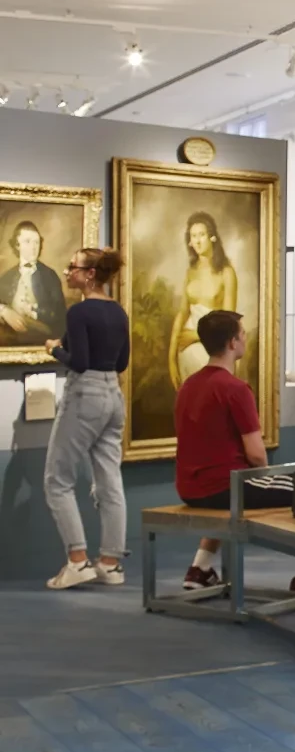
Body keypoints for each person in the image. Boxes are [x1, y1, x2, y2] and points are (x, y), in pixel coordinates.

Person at [175, 309, 295, 597]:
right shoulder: (235, 389)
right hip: (224, 486)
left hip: (190, 487)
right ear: (232, 343)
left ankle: (200, 568)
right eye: (242, 334)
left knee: (231, 489)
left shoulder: (187, 386)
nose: (245, 339)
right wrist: (266, 478)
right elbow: (256, 456)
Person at [42, 247, 130, 590]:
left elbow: (77, 362)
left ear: (90, 274)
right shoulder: (118, 312)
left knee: (57, 480)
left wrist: (53, 349)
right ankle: (110, 563)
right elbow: (121, 362)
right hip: (113, 394)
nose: (67, 272)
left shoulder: (79, 312)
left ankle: (77, 561)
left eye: (72, 267)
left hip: (85, 395)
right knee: (110, 480)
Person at [169, 212, 237, 391]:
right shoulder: (191, 272)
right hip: (186, 350)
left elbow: (229, 321)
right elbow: (183, 312)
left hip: (212, 349)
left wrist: (197, 336)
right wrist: (171, 356)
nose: (198, 241)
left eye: (202, 235)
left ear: (212, 237)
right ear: (189, 241)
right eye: (193, 236)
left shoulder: (226, 272)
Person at [0, 220, 67, 345]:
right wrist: (3, 311)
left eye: (36, 242)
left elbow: (59, 315)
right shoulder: (7, 277)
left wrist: (33, 312)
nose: (33, 247)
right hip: (9, 337)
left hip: (41, 337)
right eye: (27, 241)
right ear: (17, 245)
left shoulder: (49, 276)